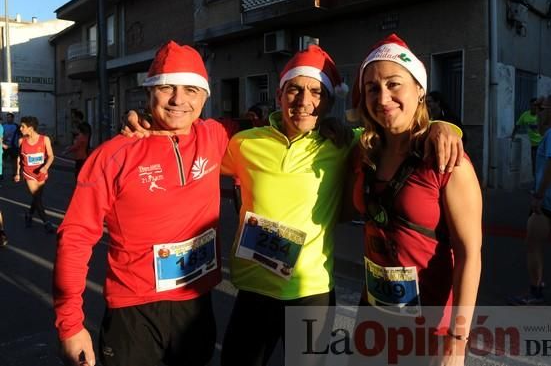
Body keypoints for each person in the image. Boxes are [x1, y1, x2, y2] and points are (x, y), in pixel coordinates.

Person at [124, 44, 466, 366]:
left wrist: (443, 126)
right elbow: (191, 142)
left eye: (317, 92)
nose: (304, 101)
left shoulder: (345, 145)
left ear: (329, 103)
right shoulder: (244, 143)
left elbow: (400, 135)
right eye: (294, 89)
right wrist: (147, 126)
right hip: (254, 290)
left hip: (311, 293)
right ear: (278, 95)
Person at [53, 41, 230, 366]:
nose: (179, 100)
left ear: (205, 96)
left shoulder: (214, 136)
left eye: (191, 89)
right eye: (166, 88)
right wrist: (70, 325)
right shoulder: (112, 155)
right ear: (149, 93)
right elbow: (75, 237)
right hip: (134, 312)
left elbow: (262, 132)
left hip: (198, 304)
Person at [350, 34, 482, 365]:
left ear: (419, 89)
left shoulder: (447, 160)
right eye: (372, 88)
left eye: (394, 84)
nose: (383, 98)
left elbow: (470, 255)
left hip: (429, 325)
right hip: (374, 311)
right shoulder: (365, 152)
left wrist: (457, 341)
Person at [507, 94, 551, 306]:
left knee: (533, 246)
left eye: (543, 109)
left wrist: (538, 196)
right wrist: (541, 116)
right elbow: (542, 130)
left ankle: (535, 291)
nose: (539, 112)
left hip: (548, 201)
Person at [13, 116, 56, 233]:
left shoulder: (45, 139)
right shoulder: (21, 141)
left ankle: (29, 215)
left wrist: (46, 167)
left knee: (37, 198)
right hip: (29, 174)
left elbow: (51, 156)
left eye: (23, 126)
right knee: (37, 198)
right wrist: (17, 173)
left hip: (41, 173)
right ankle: (46, 222)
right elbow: (19, 157)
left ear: (30, 128)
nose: (20, 128)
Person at [511, 98, 542, 176]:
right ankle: (536, 185)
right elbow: (517, 125)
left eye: (536, 105)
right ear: (530, 106)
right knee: (534, 167)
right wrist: (512, 136)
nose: (534, 107)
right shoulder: (525, 115)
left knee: (542, 166)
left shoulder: (541, 115)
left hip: (543, 144)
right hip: (534, 146)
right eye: (533, 105)